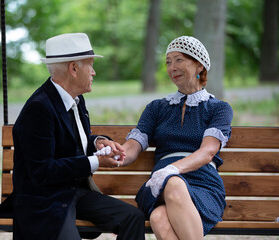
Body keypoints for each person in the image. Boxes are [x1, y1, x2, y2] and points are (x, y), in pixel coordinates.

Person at [12, 33, 145, 240]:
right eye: (90, 65)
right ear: (73, 69)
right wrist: (96, 161)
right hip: (44, 200)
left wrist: (97, 142)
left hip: (74, 192)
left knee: (132, 217)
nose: (93, 72)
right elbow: (42, 171)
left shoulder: (76, 99)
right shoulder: (38, 109)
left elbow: (73, 140)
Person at [121, 36, 233, 239]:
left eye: (179, 60)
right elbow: (133, 145)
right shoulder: (157, 108)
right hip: (161, 186)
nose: (172, 67)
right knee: (172, 185)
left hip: (203, 186)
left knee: (158, 218)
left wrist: (171, 170)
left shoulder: (218, 108)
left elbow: (208, 151)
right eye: (168, 62)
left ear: (199, 65)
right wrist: (117, 153)